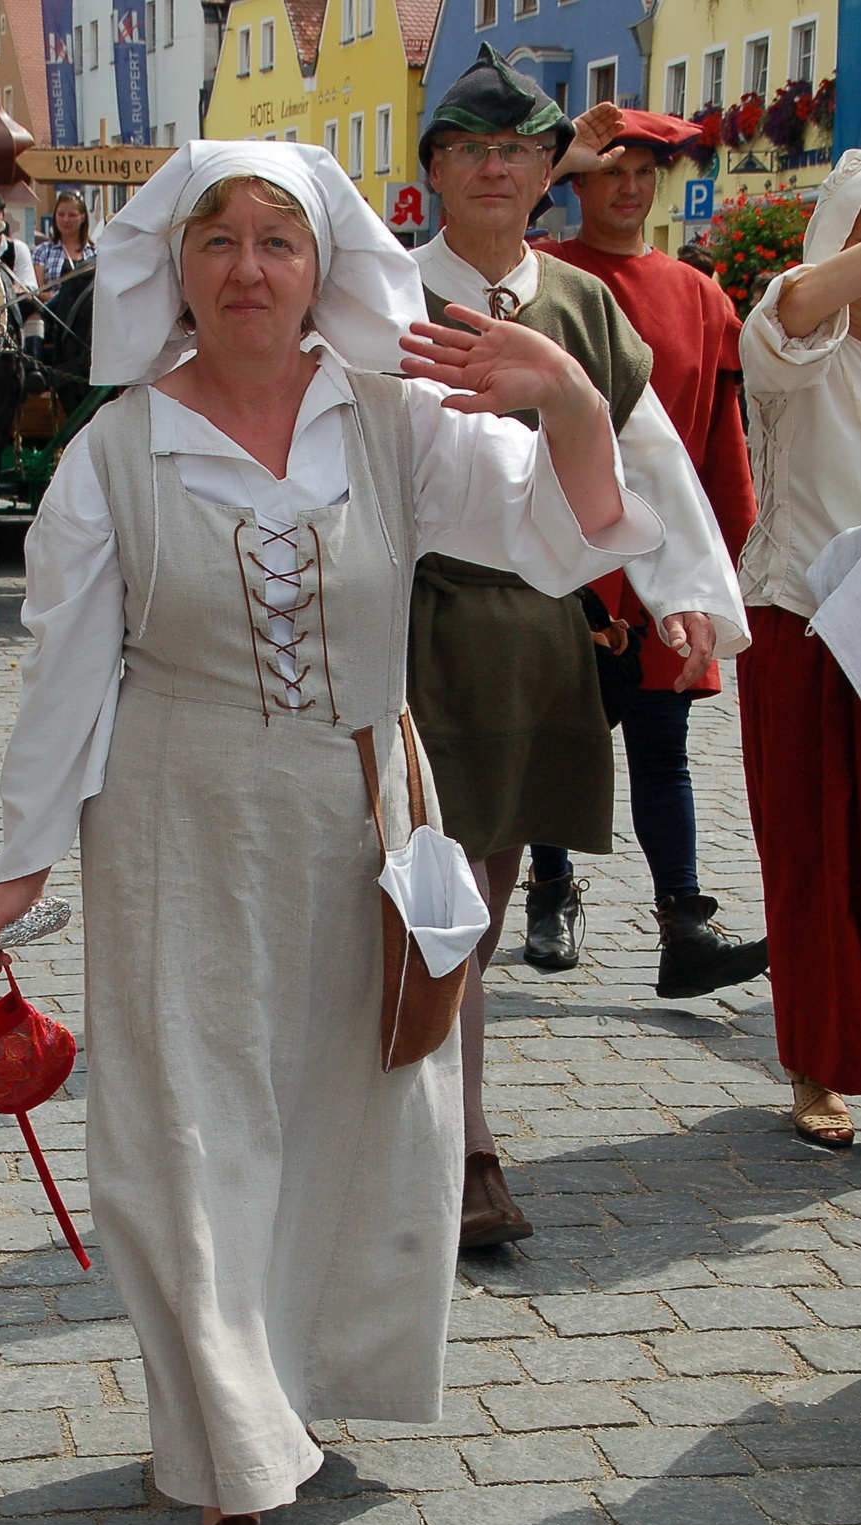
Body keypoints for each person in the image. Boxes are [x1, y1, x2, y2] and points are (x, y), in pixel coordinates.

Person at [0, 139, 660, 1525]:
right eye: (220, 240)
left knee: (347, 1114)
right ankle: (228, 1487)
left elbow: (560, 533)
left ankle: (290, 1385)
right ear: (173, 270)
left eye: (282, 236)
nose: (252, 267)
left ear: (327, 261)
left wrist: (573, 398)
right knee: (183, 1146)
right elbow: (67, 665)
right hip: (172, 819)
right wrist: (20, 862)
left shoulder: (393, 420)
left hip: (360, 815)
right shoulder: (115, 452)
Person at [408, 47, 750, 1247]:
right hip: (412, 631)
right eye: (471, 150)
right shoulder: (385, 297)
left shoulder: (580, 304)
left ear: (548, 170)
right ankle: (458, 1151)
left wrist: (681, 591)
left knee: (484, 907)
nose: (495, 168)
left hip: (536, 637)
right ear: (436, 170)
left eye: (518, 151)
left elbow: (648, 454)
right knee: (425, 908)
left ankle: (444, 1130)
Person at [524, 111, 767, 998]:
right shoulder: (542, 275)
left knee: (662, 748)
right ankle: (547, 889)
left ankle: (682, 927)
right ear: (579, 181)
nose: (627, 189)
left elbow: (715, 448)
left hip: (662, 551)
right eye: (608, 171)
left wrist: (726, 563)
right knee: (553, 741)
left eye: (643, 174)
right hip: (566, 551)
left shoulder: (701, 297)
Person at [737, 149, 861, 1148]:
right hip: (804, 626)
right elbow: (792, 316)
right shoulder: (791, 336)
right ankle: (814, 1063)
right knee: (812, 848)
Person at [32, 190, 96, 292]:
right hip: (52, 307)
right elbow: (37, 292)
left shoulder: (95, 253)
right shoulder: (43, 251)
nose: (66, 220)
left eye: (72, 215)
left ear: (83, 217)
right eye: (61, 214)